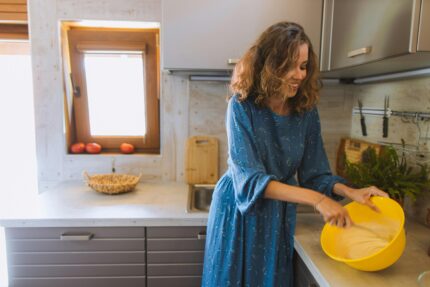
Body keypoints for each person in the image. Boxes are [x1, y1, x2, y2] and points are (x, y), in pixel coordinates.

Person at [201, 22, 388, 287]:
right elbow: (250, 180)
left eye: (303, 66)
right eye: (290, 65)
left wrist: (351, 193)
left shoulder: (306, 111)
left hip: (277, 216)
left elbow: (316, 173)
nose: (299, 75)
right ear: (270, 65)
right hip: (239, 212)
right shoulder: (241, 107)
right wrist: (318, 200)